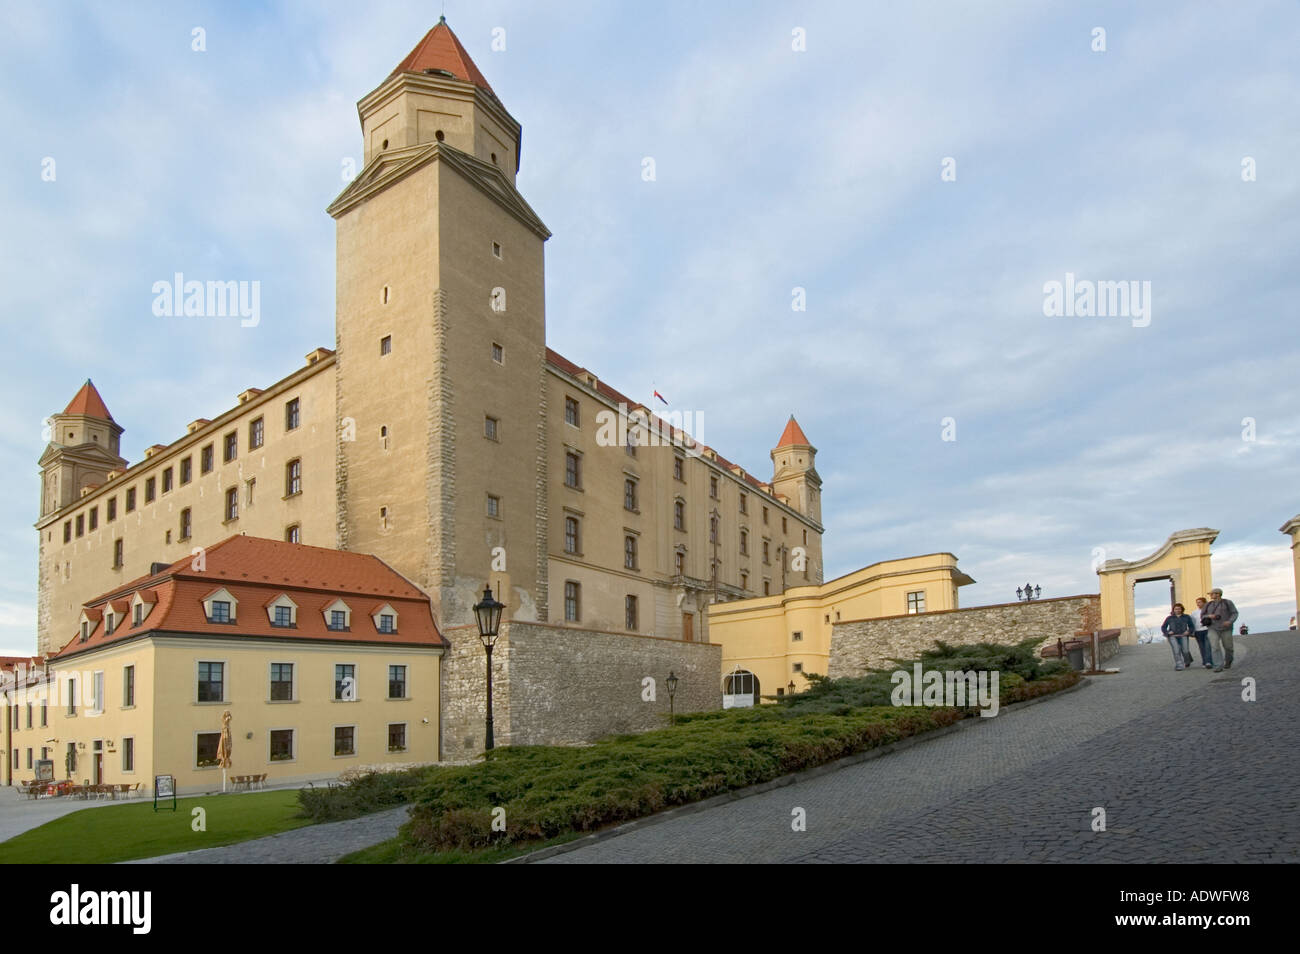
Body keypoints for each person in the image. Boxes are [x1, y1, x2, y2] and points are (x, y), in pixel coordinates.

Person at [1202, 588, 1239, 672]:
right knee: (1215, 647)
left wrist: (1230, 621)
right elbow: (1202, 615)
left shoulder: (1228, 602)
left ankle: (1228, 661)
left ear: (1218, 594)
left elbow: (1235, 613)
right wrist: (1209, 616)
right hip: (1212, 628)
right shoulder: (1208, 604)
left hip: (1226, 628)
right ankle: (1218, 665)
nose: (1210, 595)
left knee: (1228, 647)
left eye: (1212, 594)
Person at [1160, 603, 1197, 671]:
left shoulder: (1186, 617)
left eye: (1179, 609)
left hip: (1184, 635)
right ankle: (1179, 665)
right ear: (1173, 610)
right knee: (1176, 651)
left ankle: (1187, 660)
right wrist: (1167, 632)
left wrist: (1188, 631)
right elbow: (1163, 627)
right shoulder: (1169, 618)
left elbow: (1191, 626)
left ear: (1182, 609)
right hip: (1173, 636)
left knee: (1185, 650)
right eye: (1176, 609)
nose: (1177, 610)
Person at [1190, 596, 1214, 669]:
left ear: (1204, 603)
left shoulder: (1209, 611)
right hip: (1198, 631)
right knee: (1201, 647)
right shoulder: (1194, 612)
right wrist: (1192, 632)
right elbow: (1192, 623)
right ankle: (1204, 661)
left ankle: (1209, 662)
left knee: (1207, 646)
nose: (1198, 604)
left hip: (1207, 629)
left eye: (1199, 602)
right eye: (1197, 603)